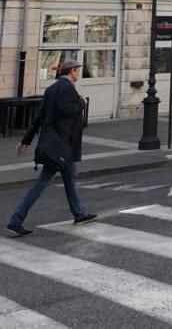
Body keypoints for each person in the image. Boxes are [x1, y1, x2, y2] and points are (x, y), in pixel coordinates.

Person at [6, 58, 96, 237]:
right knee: (42, 183)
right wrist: (82, 103)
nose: (78, 73)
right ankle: (16, 219)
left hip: (56, 146)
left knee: (70, 179)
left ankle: (79, 213)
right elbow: (67, 109)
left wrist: (26, 141)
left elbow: (39, 118)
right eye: (77, 71)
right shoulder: (67, 88)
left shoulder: (50, 90)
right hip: (62, 146)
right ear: (71, 72)